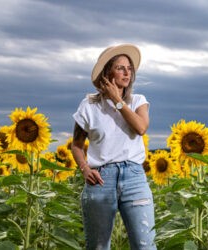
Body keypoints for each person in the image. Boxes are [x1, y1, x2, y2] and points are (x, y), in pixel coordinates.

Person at [71, 44, 156, 250]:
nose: (127, 72)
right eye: (120, 68)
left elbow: (140, 128)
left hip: (134, 177)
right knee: (98, 247)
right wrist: (84, 168)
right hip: (101, 178)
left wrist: (117, 100)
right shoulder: (89, 105)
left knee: (145, 246)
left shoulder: (137, 101)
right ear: (107, 73)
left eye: (129, 68)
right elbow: (76, 144)